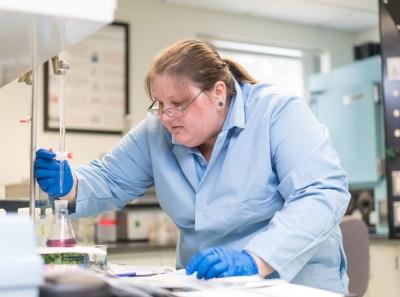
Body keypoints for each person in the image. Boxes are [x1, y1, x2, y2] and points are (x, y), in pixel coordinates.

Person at [35, 39, 350, 293]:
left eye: (179, 104)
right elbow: (110, 178)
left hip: (293, 282)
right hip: (206, 285)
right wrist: (71, 184)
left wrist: (257, 259)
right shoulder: (156, 131)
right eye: (160, 104)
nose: (168, 116)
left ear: (218, 93)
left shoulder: (278, 113)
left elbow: (322, 192)